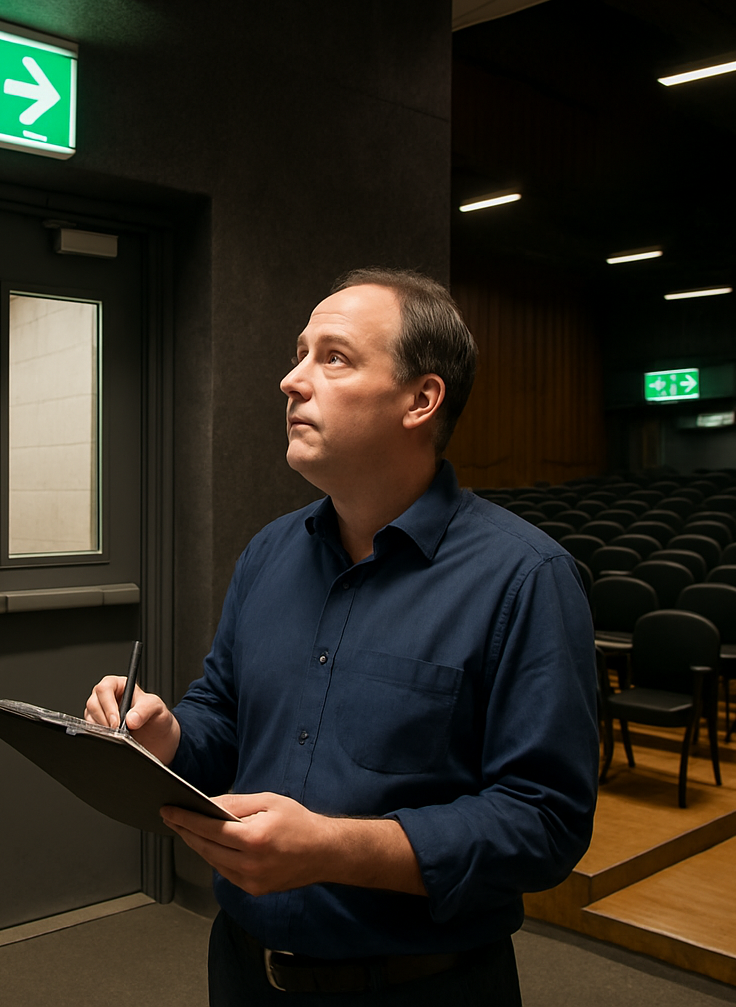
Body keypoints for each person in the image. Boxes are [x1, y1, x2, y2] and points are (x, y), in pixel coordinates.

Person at [86, 268, 598, 1005]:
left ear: (421, 399)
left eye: (333, 357)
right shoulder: (268, 553)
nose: (292, 380)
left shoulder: (526, 579)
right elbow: (224, 722)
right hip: (242, 970)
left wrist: (333, 849)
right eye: (299, 353)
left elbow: (544, 822)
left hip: (419, 986)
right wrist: (166, 735)